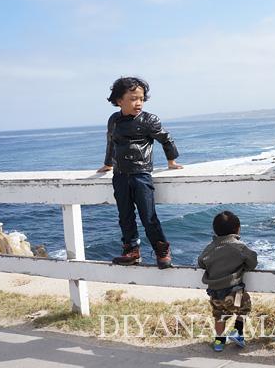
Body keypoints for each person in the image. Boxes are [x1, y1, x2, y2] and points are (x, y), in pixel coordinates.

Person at [97, 76, 183, 269]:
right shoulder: (114, 120)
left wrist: (171, 161)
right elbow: (111, 142)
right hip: (119, 175)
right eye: (133, 98)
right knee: (125, 216)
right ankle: (131, 251)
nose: (139, 103)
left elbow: (166, 139)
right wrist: (108, 164)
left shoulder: (149, 120)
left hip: (141, 174)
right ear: (119, 100)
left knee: (148, 216)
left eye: (142, 99)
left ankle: (161, 250)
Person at [197, 211, 258, 352]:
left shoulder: (210, 248)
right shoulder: (239, 247)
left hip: (215, 293)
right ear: (238, 229)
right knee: (244, 308)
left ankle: (219, 341)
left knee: (219, 316)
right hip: (234, 291)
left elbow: (201, 262)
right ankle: (237, 333)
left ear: (215, 230)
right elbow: (252, 261)